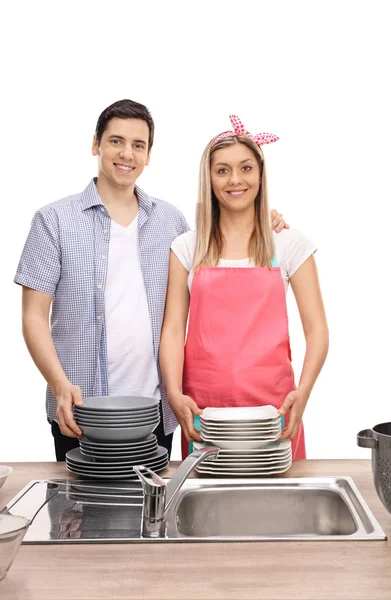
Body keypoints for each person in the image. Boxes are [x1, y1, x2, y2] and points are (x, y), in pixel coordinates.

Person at [14, 101, 287, 461]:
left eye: (138, 145)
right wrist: (60, 385)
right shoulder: (53, 221)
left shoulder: (170, 222)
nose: (127, 153)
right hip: (80, 409)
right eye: (116, 141)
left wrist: (258, 218)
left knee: (154, 511)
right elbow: (34, 317)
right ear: (95, 144)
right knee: (79, 513)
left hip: (157, 409)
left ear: (148, 154)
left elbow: (217, 248)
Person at [159, 115, 329, 460]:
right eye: (222, 170)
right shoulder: (187, 247)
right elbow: (174, 330)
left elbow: (317, 330)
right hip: (204, 412)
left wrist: (304, 392)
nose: (235, 180)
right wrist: (175, 394)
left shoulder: (289, 244)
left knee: (275, 509)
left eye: (246, 168)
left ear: (261, 174)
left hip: (275, 411)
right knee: (205, 510)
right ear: (208, 178)